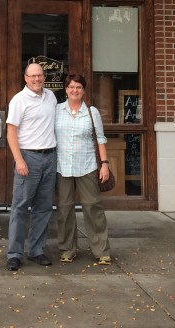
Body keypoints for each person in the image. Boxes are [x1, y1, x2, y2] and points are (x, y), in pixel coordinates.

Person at [5, 62, 57, 272]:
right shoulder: (19, 100)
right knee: (20, 207)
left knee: (43, 207)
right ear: (25, 78)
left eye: (40, 75)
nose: (37, 79)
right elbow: (11, 132)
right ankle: (15, 254)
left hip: (50, 156)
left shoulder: (51, 97)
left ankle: (36, 250)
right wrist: (19, 160)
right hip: (29, 157)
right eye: (32, 76)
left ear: (44, 77)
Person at [55, 73, 111, 266]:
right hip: (62, 167)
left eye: (78, 87)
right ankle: (67, 249)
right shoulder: (56, 110)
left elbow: (100, 139)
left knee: (93, 207)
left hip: (87, 166)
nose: (75, 90)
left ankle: (101, 250)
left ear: (84, 91)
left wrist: (104, 164)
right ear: (66, 89)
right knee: (64, 209)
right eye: (71, 87)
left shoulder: (91, 112)